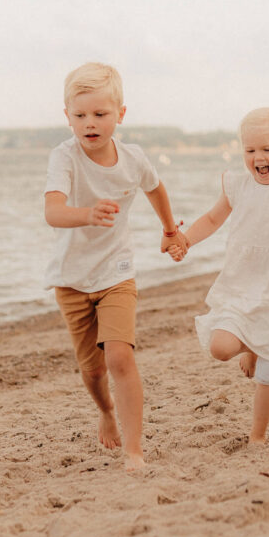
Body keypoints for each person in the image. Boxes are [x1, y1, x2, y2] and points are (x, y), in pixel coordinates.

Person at [44, 62, 188, 471]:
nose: (90, 124)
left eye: (100, 114)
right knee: (92, 372)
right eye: (81, 115)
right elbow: (53, 211)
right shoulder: (64, 157)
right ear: (67, 116)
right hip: (71, 280)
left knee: (119, 358)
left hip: (116, 273)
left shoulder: (133, 158)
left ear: (120, 115)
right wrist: (86, 214)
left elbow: (155, 188)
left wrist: (168, 230)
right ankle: (105, 411)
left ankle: (134, 450)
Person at [168, 107, 269, 444]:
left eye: (267, 150)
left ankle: (257, 436)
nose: (258, 158)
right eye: (250, 151)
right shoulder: (237, 185)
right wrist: (186, 239)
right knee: (220, 348)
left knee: (268, 371)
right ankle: (250, 344)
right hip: (243, 282)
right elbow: (211, 219)